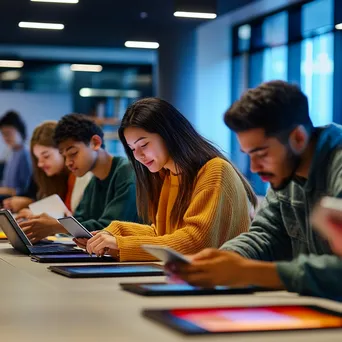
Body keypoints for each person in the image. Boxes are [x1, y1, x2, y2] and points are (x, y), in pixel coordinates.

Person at [171, 80, 342, 300]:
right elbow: (264, 235)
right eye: (248, 154)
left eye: (261, 154)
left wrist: (248, 272)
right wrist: (218, 261)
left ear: (298, 138)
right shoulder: (285, 174)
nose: (253, 167)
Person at [82, 97, 257, 261]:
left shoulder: (214, 170)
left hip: (221, 282)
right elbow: (161, 234)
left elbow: (196, 242)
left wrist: (120, 243)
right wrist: (115, 232)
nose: (139, 156)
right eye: (132, 149)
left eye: (144, 144)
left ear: (169, 135)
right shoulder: (168, 175)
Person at [20, 114, 139, 243]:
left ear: (95, 143)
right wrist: (50, 223)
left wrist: (56, 226)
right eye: (64, 156)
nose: (68, 163)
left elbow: (111, 228)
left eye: (73, 153)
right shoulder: (95, 181)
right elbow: (79, 220)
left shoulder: (127, 173)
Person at [3, 121, 91, 214]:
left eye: (46, 156)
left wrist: (33, 210)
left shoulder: (80, 176)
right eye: (37, 158)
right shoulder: (44, 175)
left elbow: (72, 218)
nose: (40, 164)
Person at [0, 111, 31, 199]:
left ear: (20, 131)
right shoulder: (12, 153)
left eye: (8, 133)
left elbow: (25, 190)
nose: (5, 137)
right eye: (3, 134)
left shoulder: (25, 154)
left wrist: (5, 190)